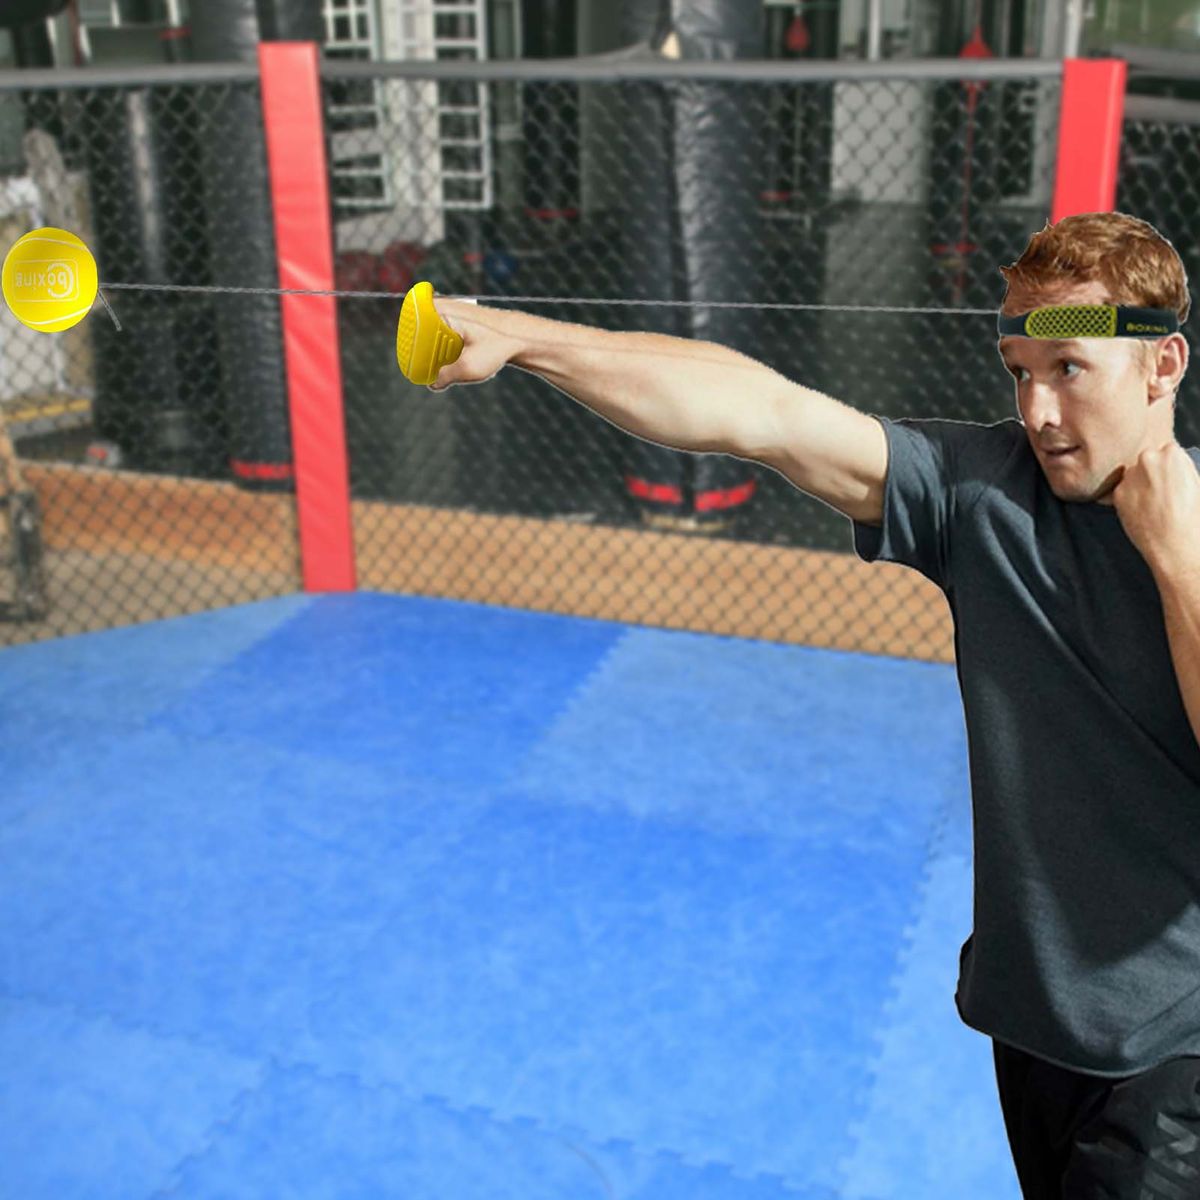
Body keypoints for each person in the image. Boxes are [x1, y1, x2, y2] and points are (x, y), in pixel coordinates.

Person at [428, 210, 1200, 1199]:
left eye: (1069, 369)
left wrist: (1178, 559)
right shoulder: (985, 494)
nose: (1039, 411)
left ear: (1162, 364)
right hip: (1036, 1024)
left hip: (1170, 1056)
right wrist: (520, 337)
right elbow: (762, 413)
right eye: (1020, 371)